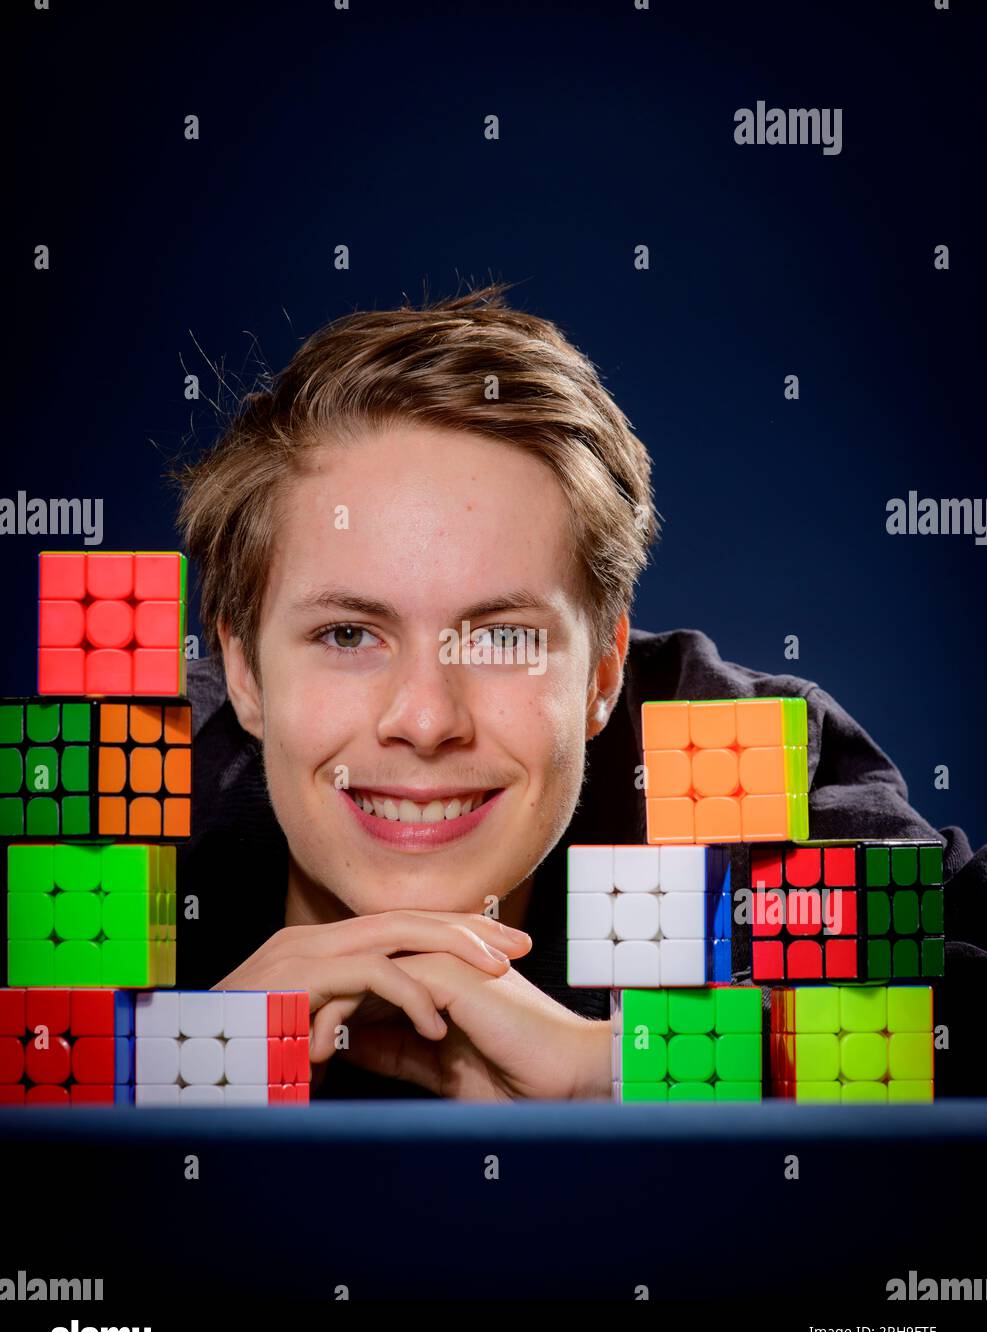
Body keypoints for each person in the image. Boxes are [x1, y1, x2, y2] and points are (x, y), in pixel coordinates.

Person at [173, 283, 987, 1100]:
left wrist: (624, 1073)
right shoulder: (119, 794)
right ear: (243, 671)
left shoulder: (736, 752)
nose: (424, 720)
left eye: (502, 637)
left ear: (603, 671)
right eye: (347, 636)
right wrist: (180, 1062)